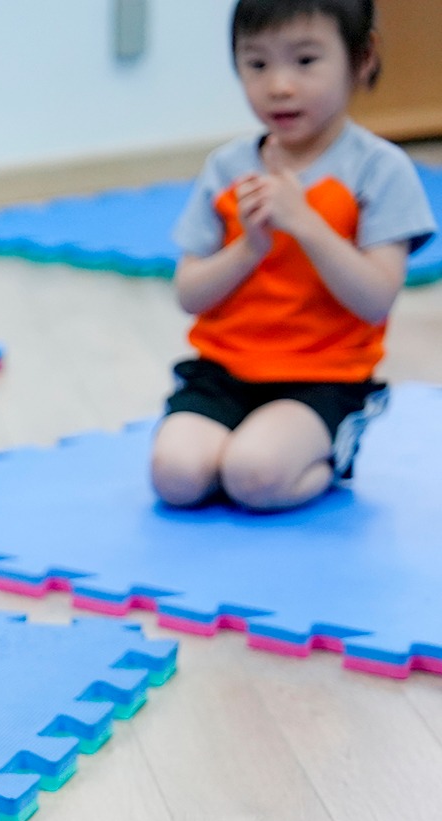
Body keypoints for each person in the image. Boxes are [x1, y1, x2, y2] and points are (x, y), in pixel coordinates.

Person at [150, 0, 435, 511]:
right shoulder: (228, 167)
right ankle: (245, 447)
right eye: (257, 63)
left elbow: (375, 299)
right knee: (175, 477)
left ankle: (333, 454)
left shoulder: (379, 170)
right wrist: (249, 249)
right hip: (223, 371)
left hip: (323, 378)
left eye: (305, 61)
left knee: (254, 476)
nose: (279, 86)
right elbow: (189, 294)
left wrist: (305, 224)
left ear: (361, 59)